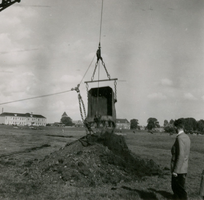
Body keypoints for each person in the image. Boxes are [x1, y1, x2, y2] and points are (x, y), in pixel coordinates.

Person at [171, 119, 191, 200]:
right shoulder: (186, 137)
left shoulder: (179, 138)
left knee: (179, 190)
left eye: (174, 127)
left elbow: (181, 155)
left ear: (176, 127)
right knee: (179, 190)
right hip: (184, 168)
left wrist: (176, 170)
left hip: (179, 169)